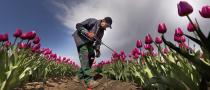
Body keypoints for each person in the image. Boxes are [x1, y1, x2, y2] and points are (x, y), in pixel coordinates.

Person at [72, 17, 112, 88]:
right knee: (85, 57)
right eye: (107, 25)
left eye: (108, 26)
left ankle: (78, 77)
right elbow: (78, 25)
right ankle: (89, 81)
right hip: (81, 40)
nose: (107, 27)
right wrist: (87, 33)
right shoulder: (93, 21)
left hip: (89, 42)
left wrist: (97, 50)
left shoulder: (102, 32)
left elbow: (98, 42)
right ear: (103, 21)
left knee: (92, 56)